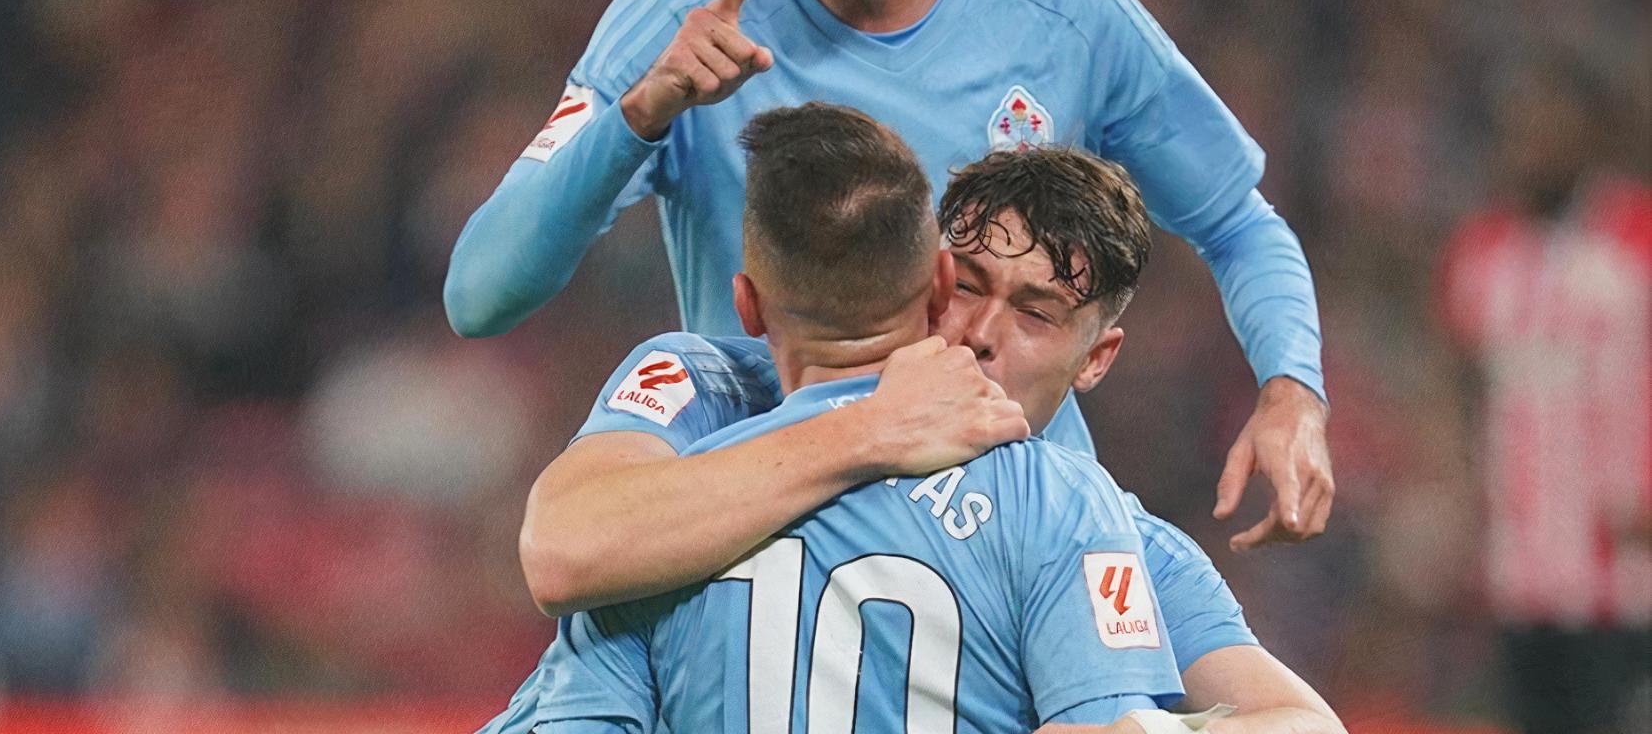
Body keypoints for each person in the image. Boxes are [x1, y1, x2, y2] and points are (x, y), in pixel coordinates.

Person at [445, 0, 1332, 546]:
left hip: (1013, 554)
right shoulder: (680, 19)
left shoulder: (1070, 15)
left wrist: (1292, 389)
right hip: (768, 549)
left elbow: (1238, 223)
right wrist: (639, 115)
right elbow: (481, 294)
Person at [482, 128, 1344, 733]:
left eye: (1037, 314)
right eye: (969, 285)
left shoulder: (1097, 528)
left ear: (1096, 359)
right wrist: (871, 429)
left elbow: (1305, 723)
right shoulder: (718, 386)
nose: (980, 332)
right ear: (930, 279)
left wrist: (1150, 732)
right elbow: (560, 550)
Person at [1438, 54, 1651, 734]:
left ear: (1588, 136)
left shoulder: (1637, 236)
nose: (1530, 147)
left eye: (1548, 130)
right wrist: (1462, 487)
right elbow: (1456, 382)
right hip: (1521, 566)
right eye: (1520, 132)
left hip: (1626, 571)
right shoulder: (1483, 251)